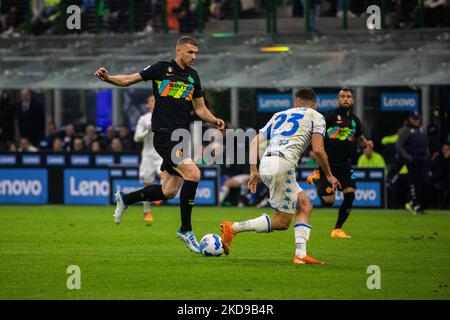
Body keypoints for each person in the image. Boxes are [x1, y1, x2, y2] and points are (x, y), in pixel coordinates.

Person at [95, 36, 225, 253]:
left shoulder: (193, 77)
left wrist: (214, 119)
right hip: (165, 136)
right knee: (193, 175)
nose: (194, 56)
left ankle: (126, 199)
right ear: (179, 51)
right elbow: (128, 80)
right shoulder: (161, 69)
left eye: (196, 53)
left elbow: (200, 109)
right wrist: (108, 78)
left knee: (169, 191)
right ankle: (186, 229)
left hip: (181, 137)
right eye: (190, 52)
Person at [221, 88, 340, 264]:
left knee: (305, 205)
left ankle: (300, 254)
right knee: (283, 222)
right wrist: (329, 175)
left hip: (267, 163)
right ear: (315, 105)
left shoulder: (279, 115)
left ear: (296, 103)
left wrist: (253, 170)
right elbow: (318, 149)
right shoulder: (316, 116)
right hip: (283, 164)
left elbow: (254, 142)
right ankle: (233, 228)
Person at [306, 87, 367, 239]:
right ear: (338, 100)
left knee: (350, 194)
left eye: (348, 97)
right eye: (343, 97)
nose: (346, 99)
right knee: (329, 201)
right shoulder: (330, 116)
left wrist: (366, 144)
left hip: (345, 164)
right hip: (328, 162)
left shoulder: (355, 121)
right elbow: (316, 134)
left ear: (353, 100)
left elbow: (360, 139)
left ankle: (337, 229)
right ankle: (317, 177)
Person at [134, 95, 164, 222]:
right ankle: (147, 212)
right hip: (147, 155)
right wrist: (147, 130)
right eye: (152, 100)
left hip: (160, 153)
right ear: (148, 105)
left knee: (164, 174)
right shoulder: (143, 119)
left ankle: (159, 195)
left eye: (156, 100)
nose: (155, 102)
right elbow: (136, 138)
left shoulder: (164, 117)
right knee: (147, 184)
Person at [396, 111, 431, 214]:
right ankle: (415, 204)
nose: (416, 120)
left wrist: (427, 155)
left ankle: (415, 202)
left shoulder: (421, 130)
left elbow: (425, 145)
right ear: (410, 119)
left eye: (417, 118)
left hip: (423, 160)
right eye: (414, 118)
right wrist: (408, 157)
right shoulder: (405, 130)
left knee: (426, 182)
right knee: (413, 182)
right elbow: (398, 146)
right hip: (413, 160)